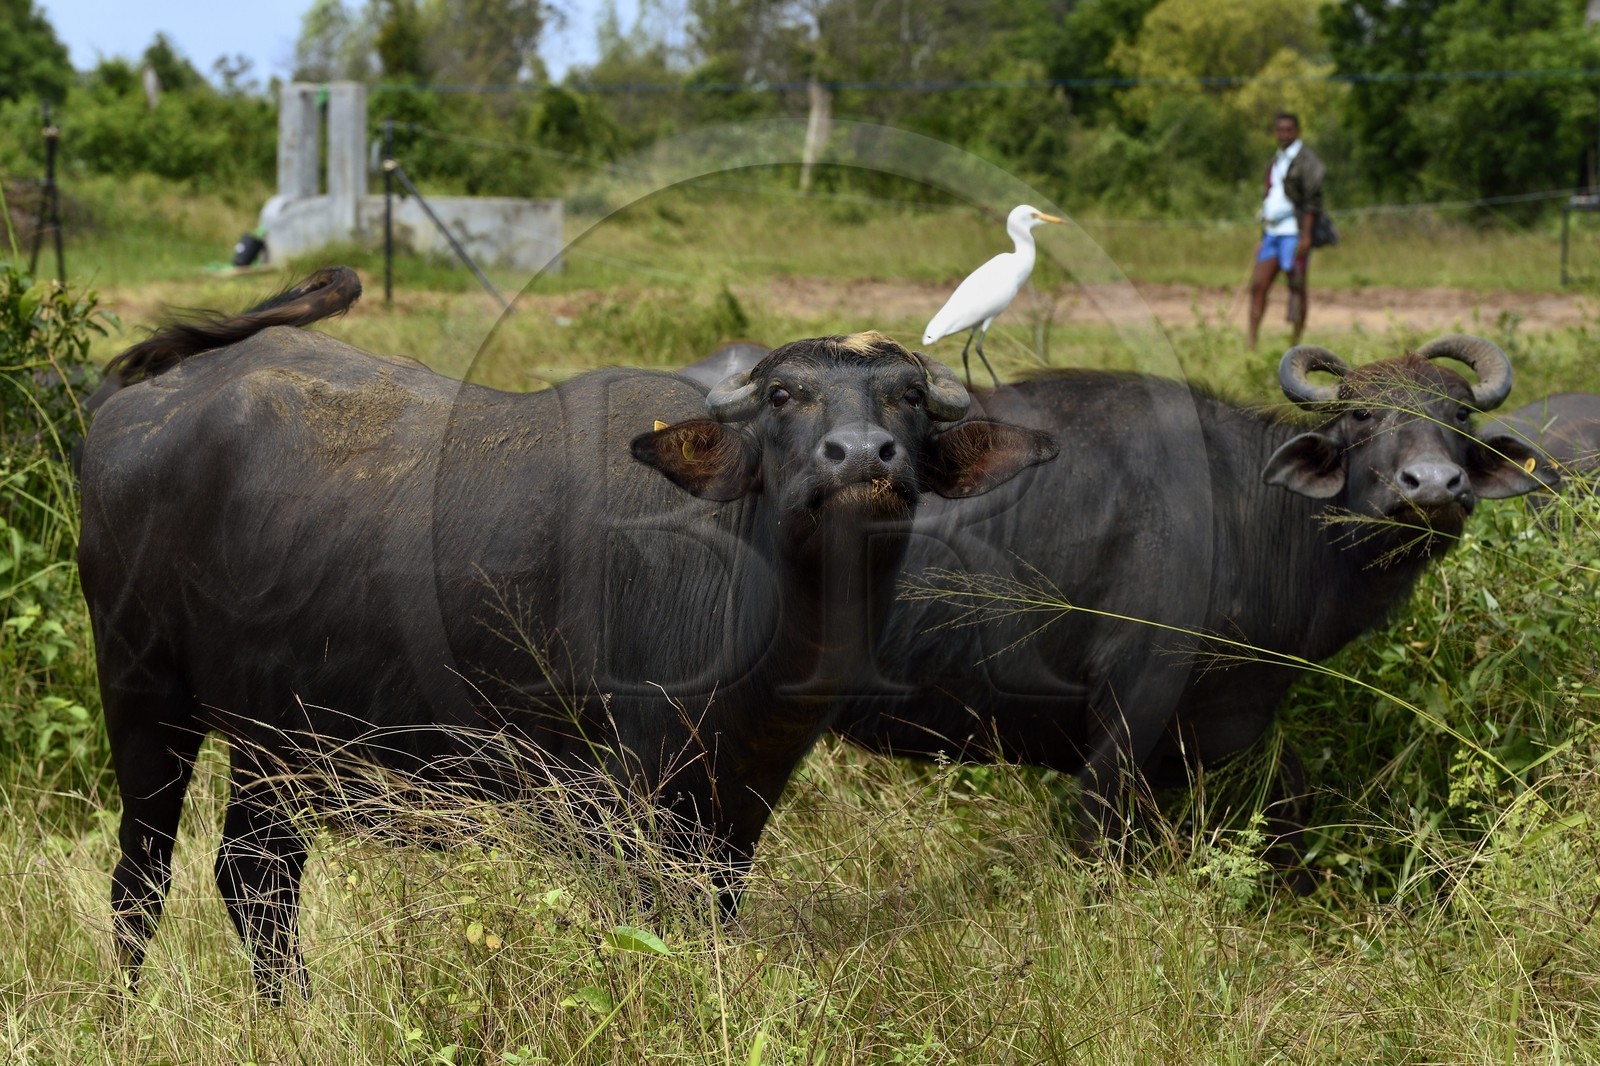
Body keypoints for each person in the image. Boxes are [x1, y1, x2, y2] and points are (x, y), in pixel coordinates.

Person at [1247, 112, 1325, 350]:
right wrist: (1263, 235)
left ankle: (1296, 345)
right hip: (1271, 233)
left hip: (1294, 232)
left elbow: (1313, 201)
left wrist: (1306, 236)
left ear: (1297, 131)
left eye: (1288, 130)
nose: (1284, 134)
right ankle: (1251, 343)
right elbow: (1271, 197)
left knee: (1297, 287)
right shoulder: (1276, 160)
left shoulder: (1307, 162)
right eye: (1280, 130)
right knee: (1258, 284)